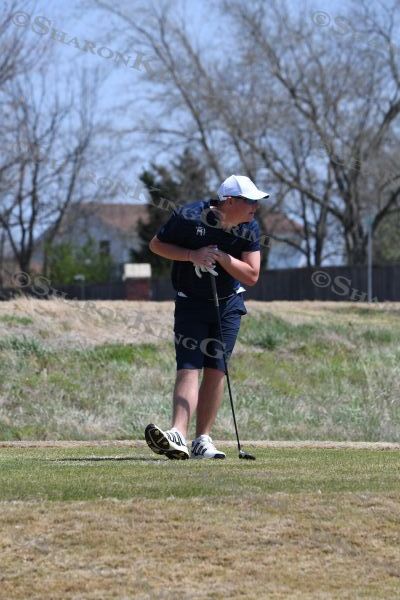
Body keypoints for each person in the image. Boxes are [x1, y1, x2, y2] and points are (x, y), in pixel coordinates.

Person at [144, 174, 269, 459]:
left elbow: (251, 275)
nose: (255, 207)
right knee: (189, 366)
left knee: (216, 369)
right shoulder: (189, 216)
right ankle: (177, 434)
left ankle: (202, 440)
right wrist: (192, 255)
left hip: (228, 306)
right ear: (229, 201)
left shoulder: (249, 227)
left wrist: (222, 258)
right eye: (250, 201)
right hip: (190, 303)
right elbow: (156, 245)